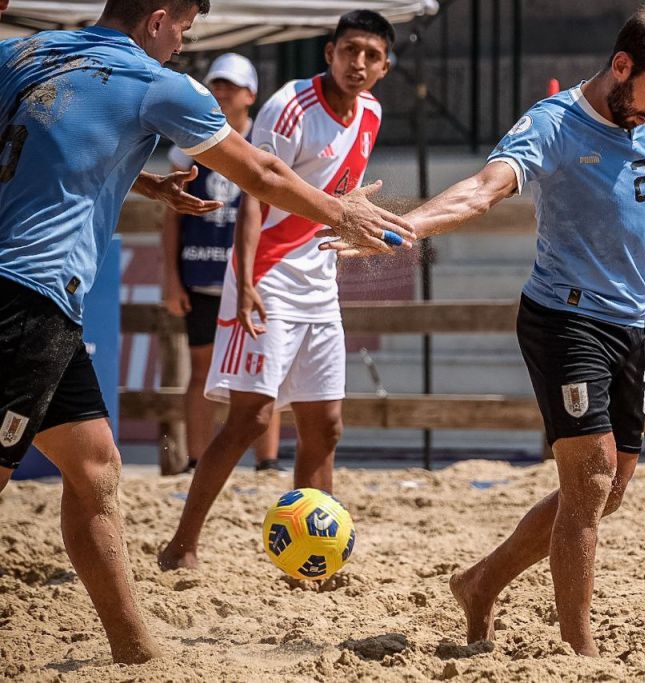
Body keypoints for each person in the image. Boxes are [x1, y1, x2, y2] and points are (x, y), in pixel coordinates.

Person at [329, 4, 645, 657]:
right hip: (564, 318)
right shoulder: (555, 124)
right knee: (589, 478)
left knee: (606, 491)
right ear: (621, 66)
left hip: (629, 323)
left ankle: (481, 581)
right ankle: (580, 651)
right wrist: (405, 226)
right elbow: (483, 189)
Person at [0, 0, 412, 664]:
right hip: (25, 294)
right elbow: (264, 178)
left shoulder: (25, 53)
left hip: (52, 302)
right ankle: (177, 555)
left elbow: (41, 140)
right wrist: (343, 213)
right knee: (232, 420)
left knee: (98, 469)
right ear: (161, 18)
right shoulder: (159, 82)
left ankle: (134, 651)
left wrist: (141, 182)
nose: (183, 44)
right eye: (186, 30)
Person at [158, 10, 395, 571]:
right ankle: (182, 544)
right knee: (252, 418)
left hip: (319, 281)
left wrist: (356, 221)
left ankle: (318, 559)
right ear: (329, 51)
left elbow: (339, 196)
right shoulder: (290, 105)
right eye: (349, 50)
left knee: (326, 425)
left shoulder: (372, 114)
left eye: (370, 55)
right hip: (268, 276)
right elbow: (254, 193)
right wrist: (243, 283)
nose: (357, 63)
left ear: (385, 66)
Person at [161, 53, 284, 475]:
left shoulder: (265, 140)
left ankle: (267, 463)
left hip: (255, 274)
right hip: (202, 272)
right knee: (201, 369)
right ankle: (196, 459)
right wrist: (170, 276)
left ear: (251, 94)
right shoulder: (192, 138)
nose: (222, 90)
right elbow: (171, 215)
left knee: (261, 370)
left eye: (231, 84)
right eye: (217, 83)